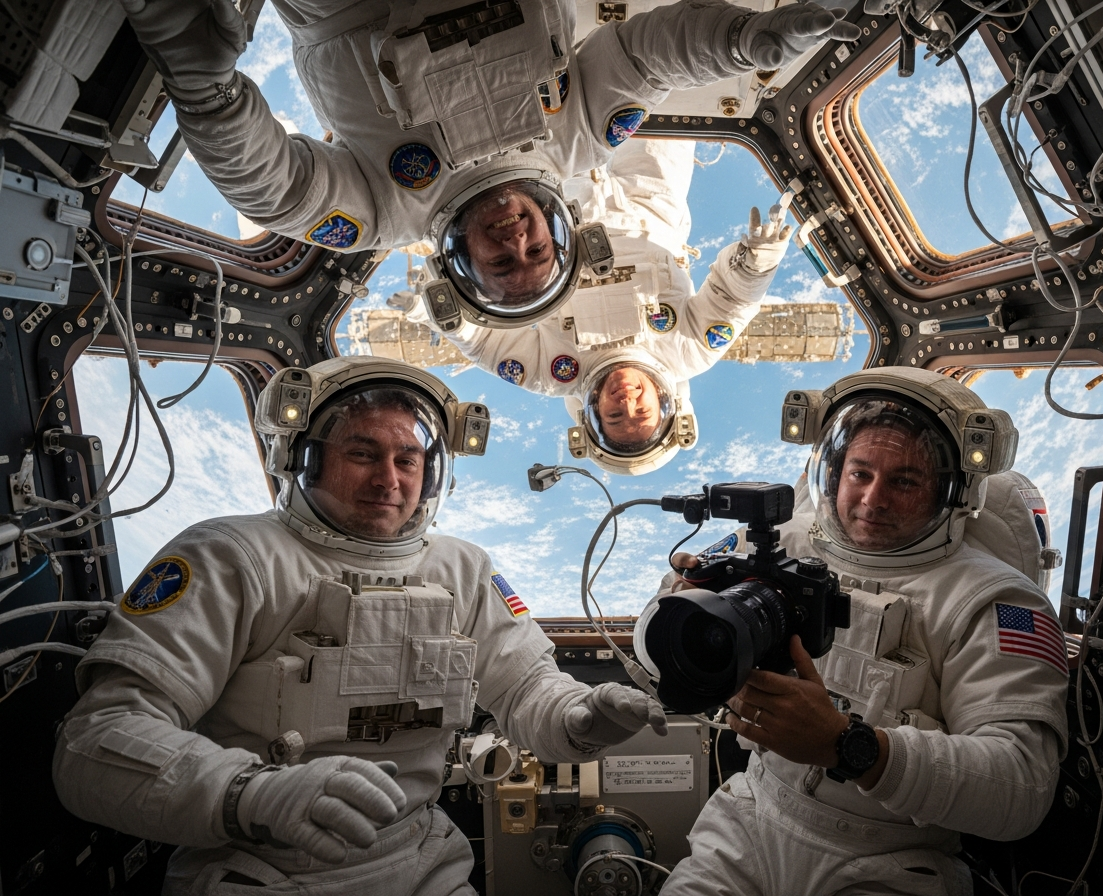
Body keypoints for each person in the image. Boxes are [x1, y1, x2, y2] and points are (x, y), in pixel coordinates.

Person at [52, 357, 668, 895]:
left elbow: (527, 686)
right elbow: (94, 742)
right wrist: (249, 795)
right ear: (304, 459)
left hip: (421, 857)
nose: (388, 479)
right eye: (362, 453)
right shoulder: (232, 555)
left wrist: (579, 719)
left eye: (408, 459)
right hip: (260, 865)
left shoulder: (461, 567)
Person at [117, 0, 857, 327]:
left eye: (503, 263)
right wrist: (743, 41)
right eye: (538, 249)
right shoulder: (581, 145)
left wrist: (203, 86)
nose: (517, 240)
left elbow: (277, 190)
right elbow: (642, 57)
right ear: (560, 232)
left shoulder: (383, 213)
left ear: (465, 264)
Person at [648, 367, 1070, 895]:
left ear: (951, 491)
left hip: (888, 856)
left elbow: (1021, 786)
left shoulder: (994, 600)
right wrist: (683, 598)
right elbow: (664, 614)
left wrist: (848, 746)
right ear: (833, 472)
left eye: (905, 481)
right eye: (860, 473)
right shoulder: (779, 542)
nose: (874, 500)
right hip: (753, 819)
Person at [393, 136, 791, 475]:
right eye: (642, 412)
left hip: (560, 206)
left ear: (594, 412)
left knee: (556, 110)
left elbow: (484, 344)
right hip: (651, 205)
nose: (627, 402)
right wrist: (756, 262)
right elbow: (733, 300)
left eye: (615, 416)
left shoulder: (553, 374)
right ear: (665, 402)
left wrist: (436, 314)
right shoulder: (690, 352)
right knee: (662, 100)